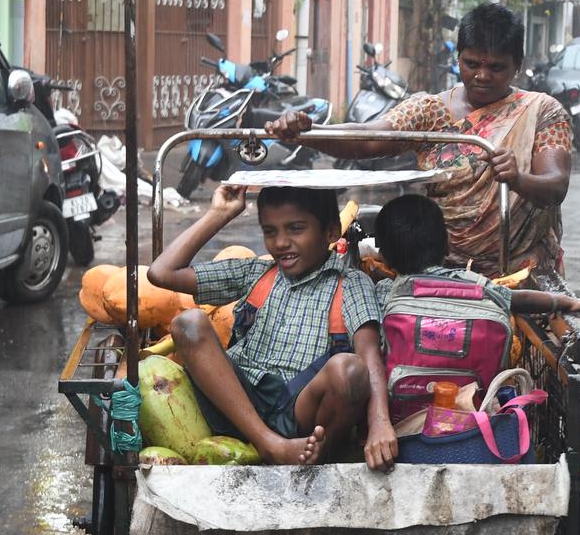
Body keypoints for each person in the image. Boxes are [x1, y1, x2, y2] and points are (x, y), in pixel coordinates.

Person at [266, 2, 573, 277]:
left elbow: (555, 185)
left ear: (517, 64)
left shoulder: (542, 111)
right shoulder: (430, 110)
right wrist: (308, 131)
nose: (482, 75)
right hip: (442, 270)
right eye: (472, 64)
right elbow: (369, 138)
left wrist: (518, 179)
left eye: (495, 67)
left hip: (520, 271)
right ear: (458, 58)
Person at [147, 185, 398, 470]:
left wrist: (380, 423)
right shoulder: (257, 272)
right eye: (270, 231)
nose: (280, 242)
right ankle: (269, 445)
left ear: (330, 233)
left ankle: (316, 456)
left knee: (350, 370)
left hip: (299, 412)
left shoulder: (350, 282)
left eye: (295, 229)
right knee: (187, 323)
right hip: (237, 399)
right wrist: (219, 213)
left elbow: (369, 354)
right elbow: (161, 273)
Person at [372, 193, 580, 318]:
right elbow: (518, 299)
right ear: (448, 244)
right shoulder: (471, 285)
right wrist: (563, 301)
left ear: (385, 258)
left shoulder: (386, 292)